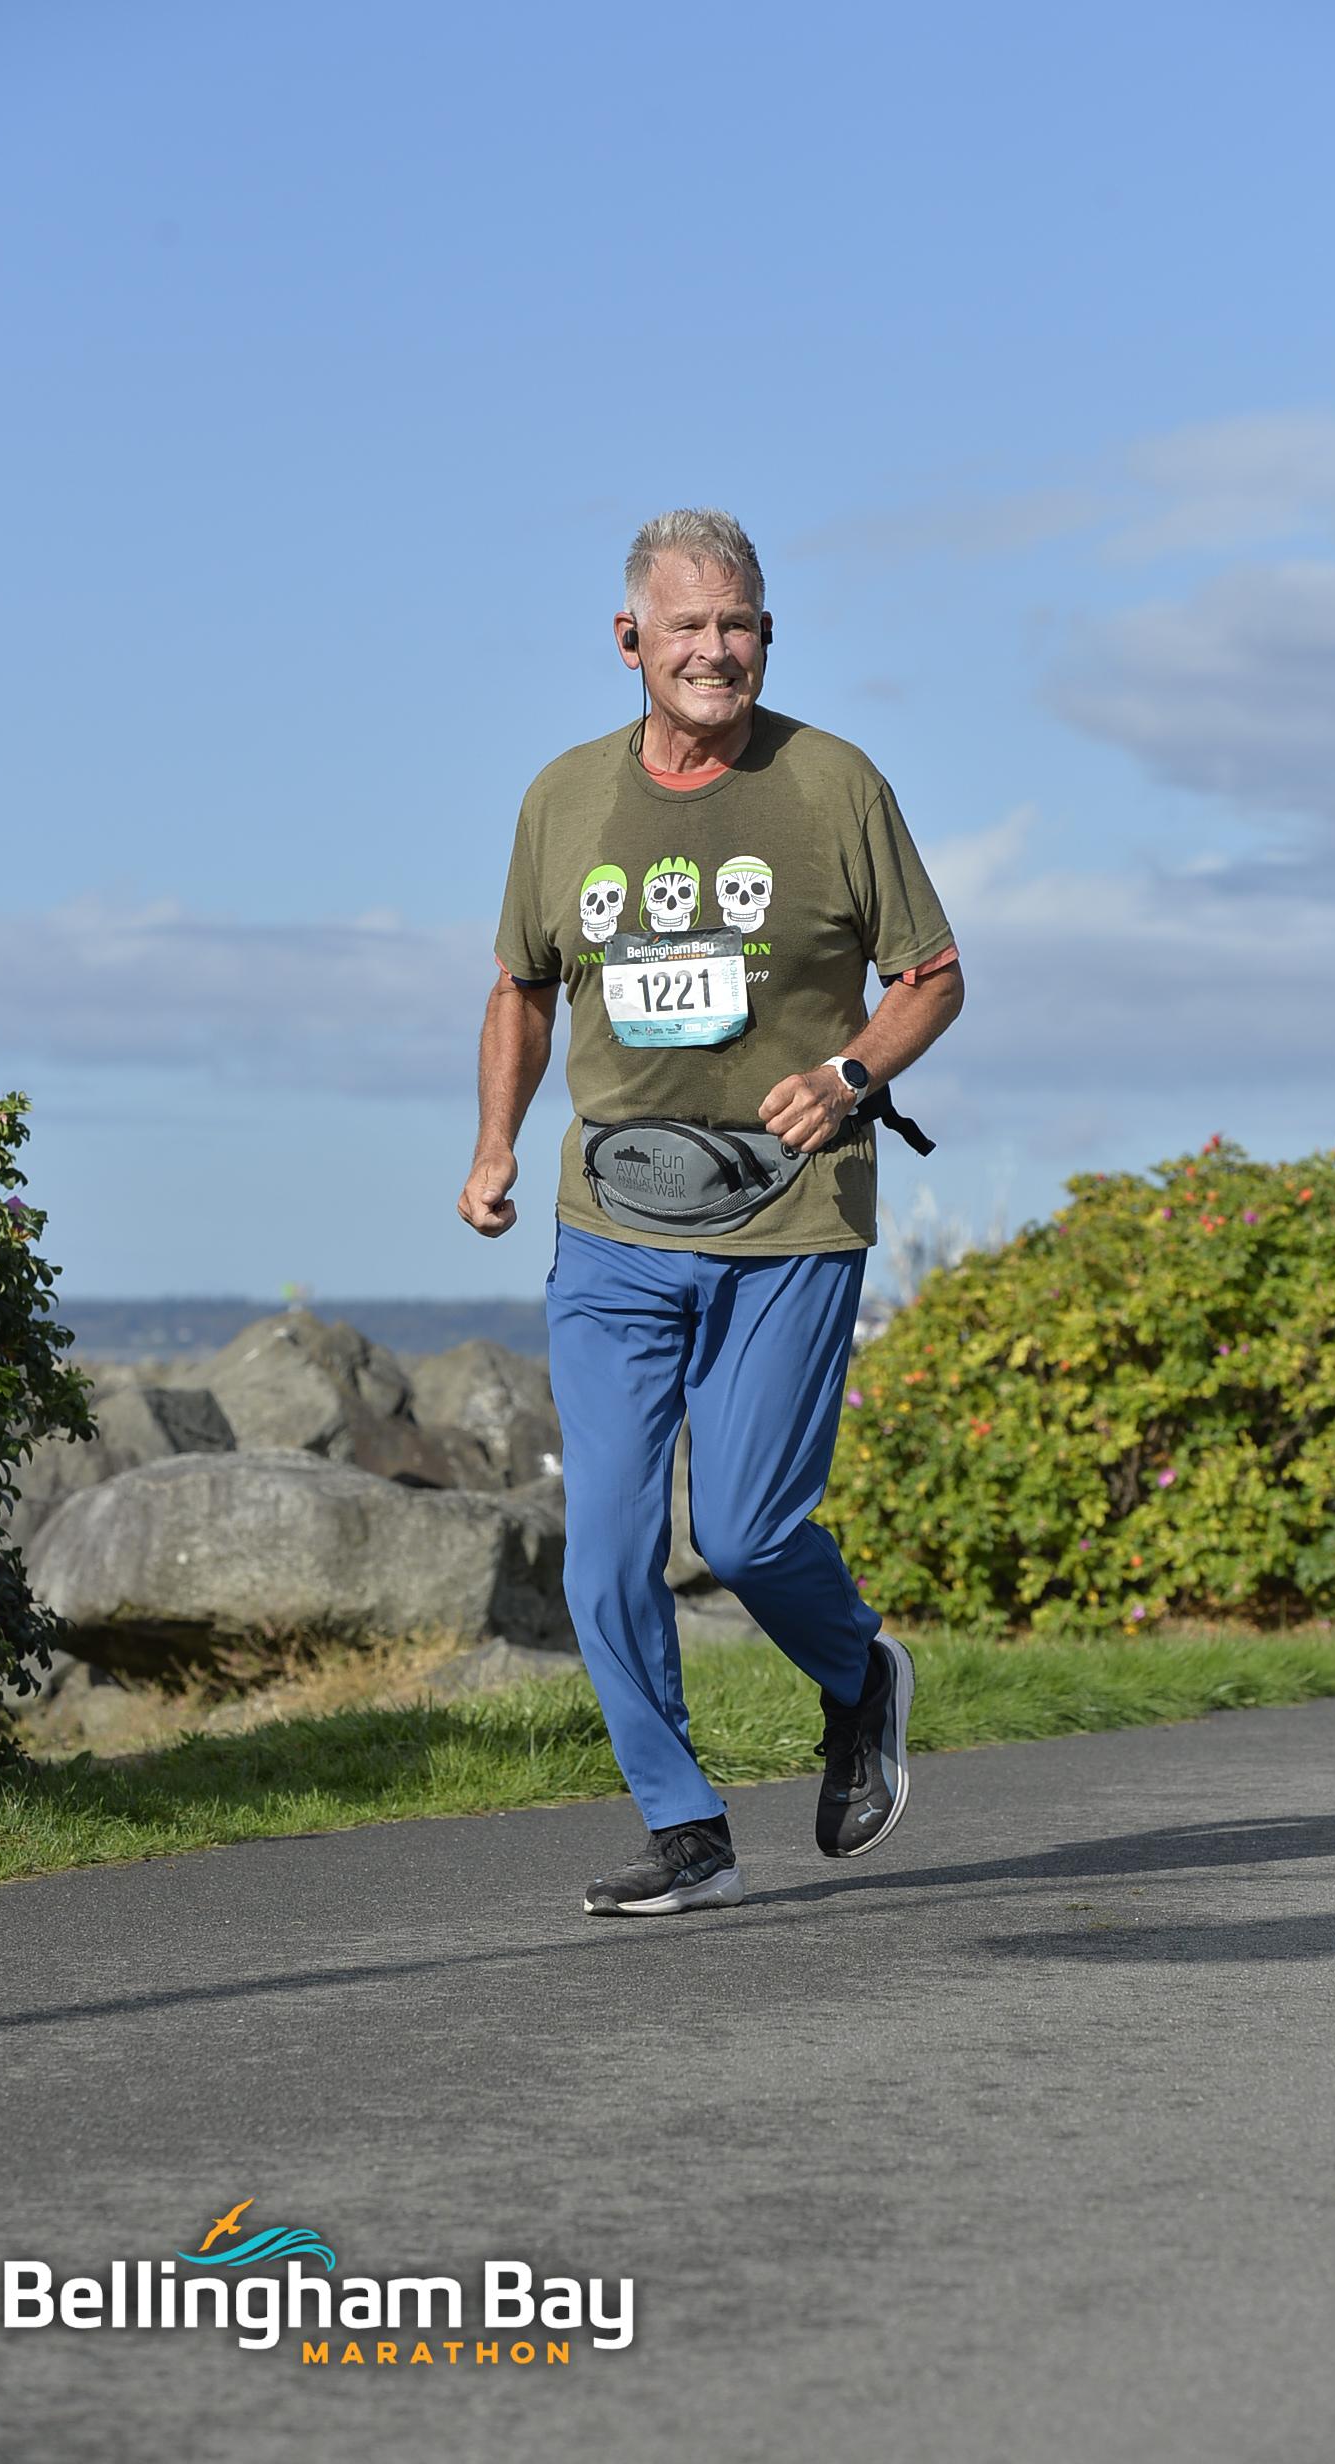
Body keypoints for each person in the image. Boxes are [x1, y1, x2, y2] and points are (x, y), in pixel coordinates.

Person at [457, 508, 962, 1916]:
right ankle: (686, 1829)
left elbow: (931, 976)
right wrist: (495, 1146)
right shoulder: (562, 800)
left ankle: (858, 1673)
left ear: (768, 637)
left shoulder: (832, 784)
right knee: (608, 1552)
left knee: (741, 1534)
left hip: (791, 1218)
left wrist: (851, 1073)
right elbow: (521, 987)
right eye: (687, 626)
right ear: (631, 641)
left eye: (738, 625)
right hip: (612, 1221)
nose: (715, 650)